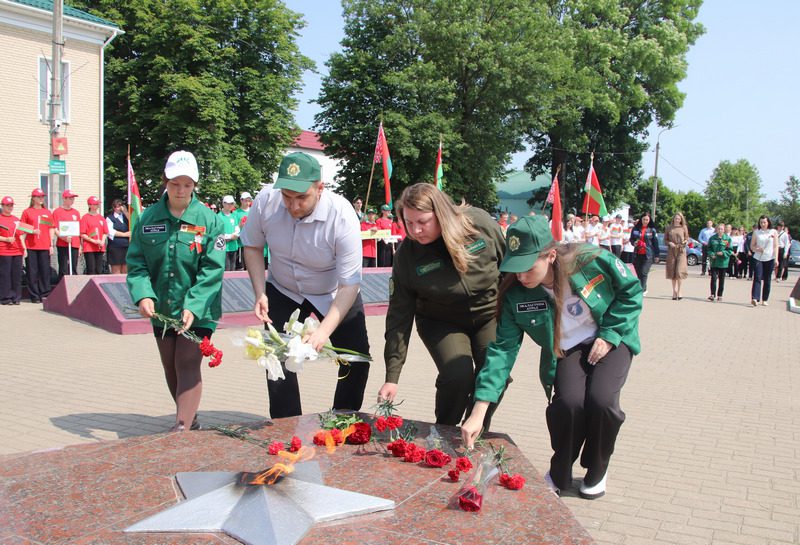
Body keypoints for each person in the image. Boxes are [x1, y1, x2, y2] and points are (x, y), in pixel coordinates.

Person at [461, 216, 642, 499]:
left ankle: (597, 469)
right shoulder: (514, 295)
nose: (520, 276)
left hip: (610, 339)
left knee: (602, 401)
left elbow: (631, 291)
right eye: (515, 268)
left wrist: (610, 335)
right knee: (568, 404)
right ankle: (560, 472)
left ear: (551, 255)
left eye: (527, 268)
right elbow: (502, 351)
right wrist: (478, 412)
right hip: (566, 349)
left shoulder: (589, 260)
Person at [240, 152, 370, 418]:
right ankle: (287, 423)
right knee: (275, 355)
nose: (293, 205)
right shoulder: (266, 201)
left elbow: (349, 285)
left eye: (302, 197)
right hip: (283, 287)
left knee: (356, 356)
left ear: (320, 188)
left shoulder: (342, 215)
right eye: (287, 196)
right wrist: (259, 292)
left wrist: (323, 332)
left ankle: (342, 417)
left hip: (332, 290)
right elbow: (252, 246)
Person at [379, 183, 506, 427]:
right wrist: (392, 376)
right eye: (409, 222)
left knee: (494, 373)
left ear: (442, 213)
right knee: (457, 376)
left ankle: (476, 429)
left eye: (423, 221)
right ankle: (444, 431)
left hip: (489, 315)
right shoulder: (408, 255)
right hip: (441, 321)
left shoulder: (479, 225)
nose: (415, 230)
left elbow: (509, 268)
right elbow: (399, 315)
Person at [126, 150, 225, 432]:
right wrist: (144, 294)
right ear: (165, 181)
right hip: (163, 309)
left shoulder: (209, 220)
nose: (181, 190)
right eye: (175, 183)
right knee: (170, 366)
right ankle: (190, 420)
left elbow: (212, 269)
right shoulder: (148, 219)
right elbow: (137, 263)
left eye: (187, 184)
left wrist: (193, 305)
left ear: (195, 185)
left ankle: (181, 428)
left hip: (199, 309)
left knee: (187, 361)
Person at [20, 188, 54, 303]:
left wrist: (51, 244)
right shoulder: (27, 212)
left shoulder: (47, 212)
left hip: (44, 246)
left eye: (42, 197)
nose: (41, 199)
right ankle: (34, 295)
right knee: (32, 272)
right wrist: (32, 231)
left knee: (45, 271)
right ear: (33, 198)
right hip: (31, 247)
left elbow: (51, 228)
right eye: (39, 197)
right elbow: (22, 229)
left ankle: (45, 294)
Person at [0, 196, 26, 305]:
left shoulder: (16, 219)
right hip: (4, 251)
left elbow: (20, 235)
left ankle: (16, 297)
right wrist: (6, 239)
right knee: (5, 275)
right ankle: (6, 298)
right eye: (8, 205)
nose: (10, 207)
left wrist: (24, 248)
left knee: (16, 275)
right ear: (2, 206)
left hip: (17, 251)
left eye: (11, 205)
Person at [52, 190, 81, 280]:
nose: (72, 200)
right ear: (64, 199)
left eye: (73, 198)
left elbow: (78, 230)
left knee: (73, 266)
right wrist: (63, 237)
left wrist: (80, 245)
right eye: (70, 198)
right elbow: (54, 228)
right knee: (63, 267)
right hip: (63, 243)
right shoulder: (57, 212)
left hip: (74, 243)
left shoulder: (76, 212)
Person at [750, 215, 778, 306]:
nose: (762, 224)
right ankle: (755, 298)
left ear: (768, 222)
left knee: (767, 278)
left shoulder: (773, 232)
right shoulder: (756, 232)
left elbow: (775, 246)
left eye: (764, 222)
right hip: (758, 258)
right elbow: (752, 246)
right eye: (761, 222)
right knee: (757, 277)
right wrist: (757, 249)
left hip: (769, 258)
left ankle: (765, 299)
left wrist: (776, 258)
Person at [630, 212, 659, 295]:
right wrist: (634, 243)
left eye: (647, 220)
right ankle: (643, 287)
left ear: (649, 220)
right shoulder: (635, 229)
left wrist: (657, 255)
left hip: (648, 254)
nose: (645, 221)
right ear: (641, 219)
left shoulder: (652, 230)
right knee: (638, 273)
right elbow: (631, 239)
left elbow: (655, 243)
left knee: (643, 272)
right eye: (644, 219)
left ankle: (641, 291)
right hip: (637, 254)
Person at [79, 196, 108, 275]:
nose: (97, 206)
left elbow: (105, 232)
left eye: (97, 204)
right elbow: (82, 234)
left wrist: (102, 241)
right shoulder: (85, 218)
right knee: (91, 269)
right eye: (95, 204)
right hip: (89, 247)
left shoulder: (101, 218)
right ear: (90, 205)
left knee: (99, 269)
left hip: (99, 247)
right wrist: (94, 241)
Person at [664, 213, 689, 300]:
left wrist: (685, 242)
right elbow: (665, 240)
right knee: (672, 271)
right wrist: (669, 243)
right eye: (676, 218)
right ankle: (674, 291)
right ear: (673, 219)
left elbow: (687, 238)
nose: (677, 220)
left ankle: (679, 291)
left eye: (679, 219)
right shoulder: (668, 228)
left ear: (681, 219)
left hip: (681, 250)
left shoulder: (683, 227)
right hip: (671, 250)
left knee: (679, 271)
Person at [707, 223, 733, 302]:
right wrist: (711, 254)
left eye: (721, 229)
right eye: (718, 229)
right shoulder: (712, 238)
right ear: (716, 229)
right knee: (713, 278)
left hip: (723, 262)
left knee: (722, 279)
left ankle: (720, 295)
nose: (720, 230)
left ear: (724, 229)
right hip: (714, 261)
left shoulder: (727, 239)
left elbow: (730, 250)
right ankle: (712, 294)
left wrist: (723, 253)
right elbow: (708, 249)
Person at [105, 199, 130, 274]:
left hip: (127, 246)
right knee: (116, 269)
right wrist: (124, 234)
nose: (119, 208)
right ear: (113, 207)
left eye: (120, 206)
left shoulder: (126, 217)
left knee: (126, 269)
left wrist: (125, 212)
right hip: (115, 247)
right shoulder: (110, 218)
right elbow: (110, 232)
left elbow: (134, 221)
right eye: (117, 206)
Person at [220, 195, 240, 271]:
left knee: (233, 268)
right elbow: (218, 233)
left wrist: (236, 235)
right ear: (223, 203)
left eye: (231, 203)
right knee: (226, 269)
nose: (230, 205)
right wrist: (230, 236)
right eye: (227, 203)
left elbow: (237, 229)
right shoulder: (218, 216)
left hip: (233, 246)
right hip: (223, 248)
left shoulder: (233, 216)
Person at [234, 192, 253, 270]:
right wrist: (240, 226)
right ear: (241, 201)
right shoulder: (236, 213)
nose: (247, 202)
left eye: (249, 200)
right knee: (241, 267)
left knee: (251, 266)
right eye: (246, 200)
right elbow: (234, 228)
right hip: (240, 243)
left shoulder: (253, 211)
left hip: (251, 242)